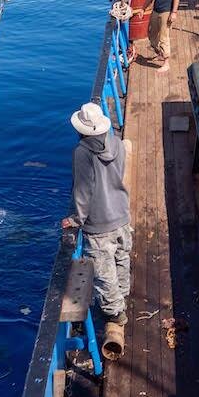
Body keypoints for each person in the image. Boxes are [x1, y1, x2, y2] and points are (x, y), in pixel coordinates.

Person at [61, 103, 133, 327]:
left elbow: (83, 191)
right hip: (121, 213)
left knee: (104, 272)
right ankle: (124, 294)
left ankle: (115, 314)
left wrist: (76, 219)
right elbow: (117, 175)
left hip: (98, 223)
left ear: (81, 130)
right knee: (122, 257)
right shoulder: (117, 143)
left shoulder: (82, 152)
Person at [143, 0, 180, 72]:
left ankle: (166, 63)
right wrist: (143, 8)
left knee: (164, 37)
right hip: (156, 10)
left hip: (166, 11)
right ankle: (160, 53)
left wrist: (173, 12)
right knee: (151, 35)